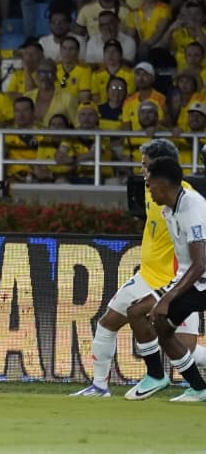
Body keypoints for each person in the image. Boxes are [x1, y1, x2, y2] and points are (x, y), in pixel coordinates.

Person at [72, 140, 201, 398]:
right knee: (108, 322)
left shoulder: (182, 198)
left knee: (183, 346)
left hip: (174, 279)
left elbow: (196, 247)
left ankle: (172, 380)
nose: (142, 171)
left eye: (145, 165)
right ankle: (100, 386)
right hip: (146, 275)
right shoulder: (151, 192)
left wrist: (173, 290)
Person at [142, 156, 206, 402]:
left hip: (201, 279)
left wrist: (168, 297)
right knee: (161, 323)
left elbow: (200, 263)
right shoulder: (170, 209)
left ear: (160, 183)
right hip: (196, 281)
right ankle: (199, 388)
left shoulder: (192, 207)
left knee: (160, 316)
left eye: (149, 182)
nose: (147, 188)